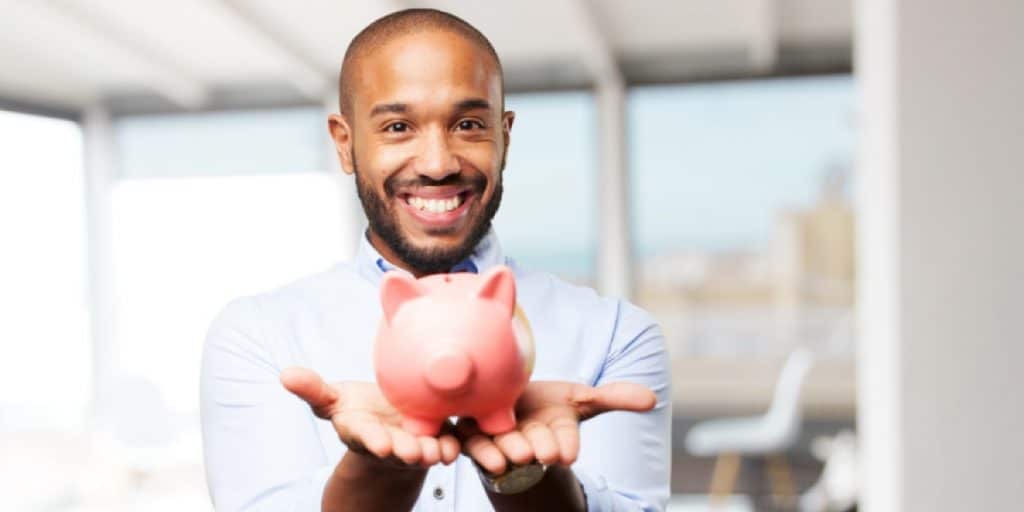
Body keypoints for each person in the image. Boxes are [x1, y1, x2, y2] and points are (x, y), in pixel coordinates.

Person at [200, 8, 670, 511]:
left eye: (468, 124)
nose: (438, 163)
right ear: (345, 143)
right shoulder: (260, 337)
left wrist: (527, 476)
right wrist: (375, 472)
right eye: (398, 127)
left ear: (504, 136)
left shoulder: (616, 335)